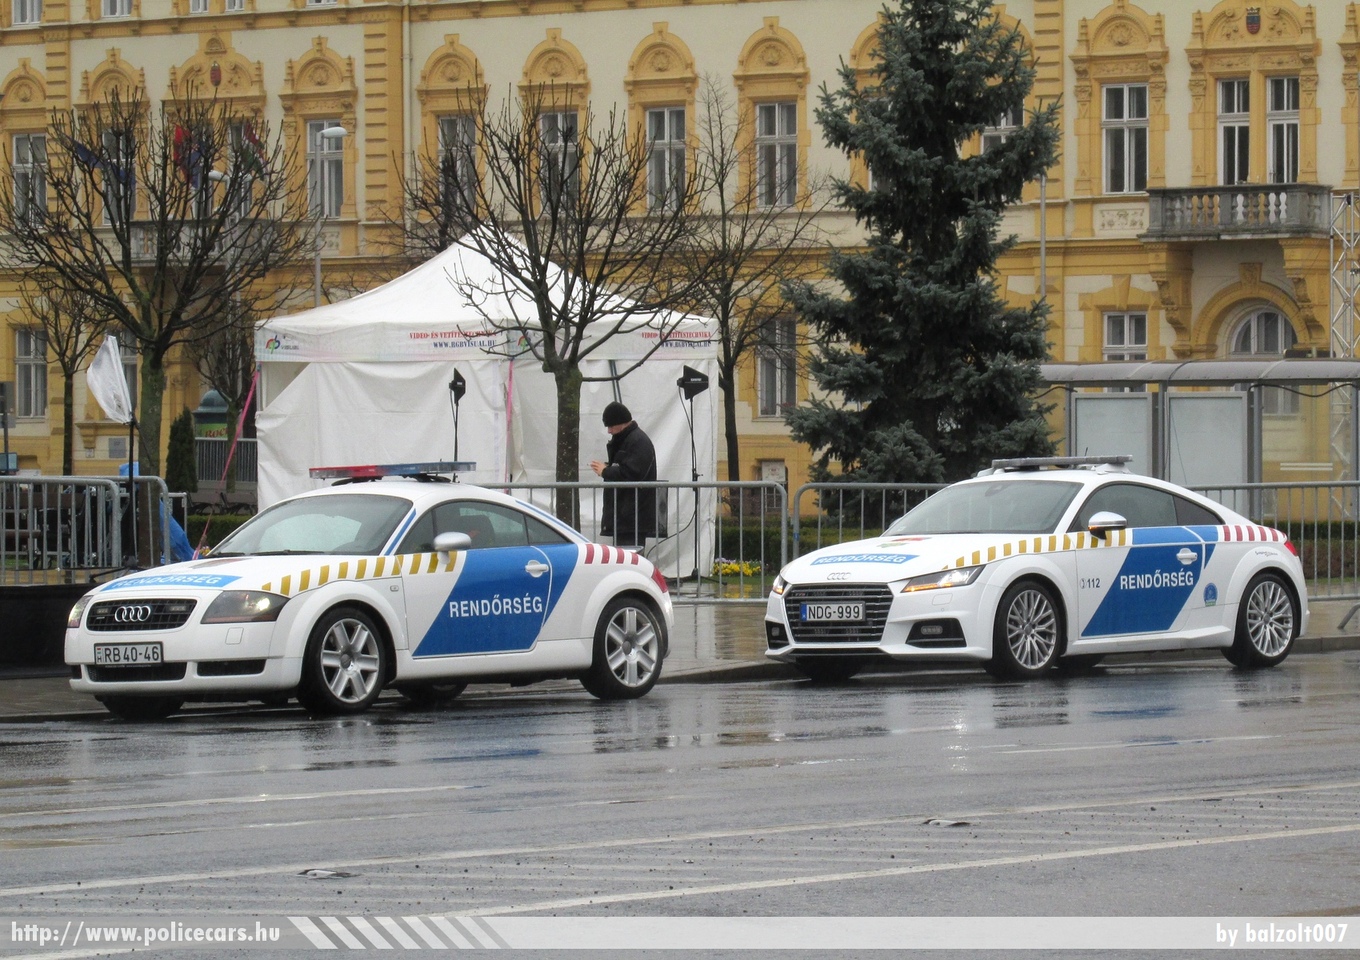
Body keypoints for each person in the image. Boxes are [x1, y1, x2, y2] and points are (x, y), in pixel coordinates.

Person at [589, 401, 665, 549]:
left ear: (621, 423)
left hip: (632, 516)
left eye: (610, 426)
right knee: (627, 558)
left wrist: (606, 471)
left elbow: (632, 473)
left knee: (630, 559)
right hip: (627, 516)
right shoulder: (630, 440)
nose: (609, 431)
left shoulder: (637, 441)